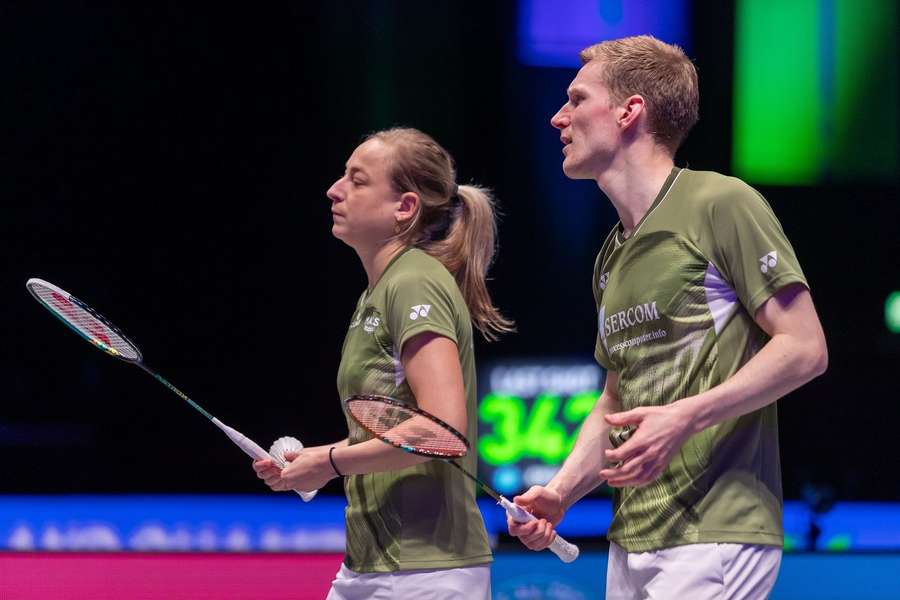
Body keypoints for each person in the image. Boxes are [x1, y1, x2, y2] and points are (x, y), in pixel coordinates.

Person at [507, 35, 828, 599]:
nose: (559, 117)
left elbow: (804, 348)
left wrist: (684, 416)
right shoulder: (609, 256)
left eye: (577, 99)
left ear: (631, 110)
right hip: (632, 538)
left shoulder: (719, 203)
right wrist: (561, 492)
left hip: (716, 530)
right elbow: (614, 402)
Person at [253, 127, 513, 599]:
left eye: (357, 180)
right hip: (372, 564)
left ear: (405, 207)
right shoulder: (378, 291)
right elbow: (389, 431)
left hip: (424, 573)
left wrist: (329, 463)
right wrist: (311, 461)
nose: (334, 190)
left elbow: (441, 429)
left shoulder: (414, 282)